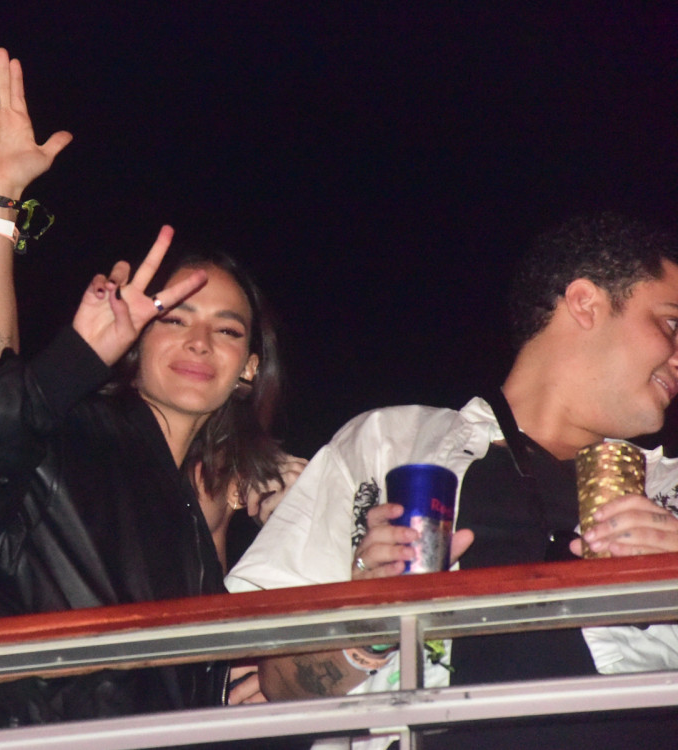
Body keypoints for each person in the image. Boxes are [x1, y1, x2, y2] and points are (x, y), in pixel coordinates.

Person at [0, 59, 295, 722]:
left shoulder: (213, 508)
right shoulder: (69, 440)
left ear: (251, 366)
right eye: (174, 319)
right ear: (136, 340)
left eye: (226, 329)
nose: (200, 342)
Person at [226, 212, 678, 748]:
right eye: (671, 324)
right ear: (585, 303)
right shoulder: (391, 444)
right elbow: (275, 684)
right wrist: (367, 622)